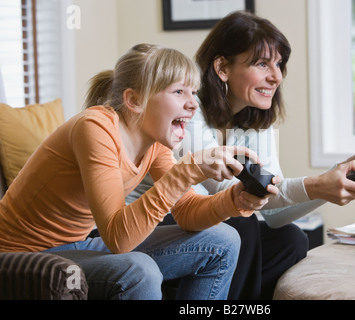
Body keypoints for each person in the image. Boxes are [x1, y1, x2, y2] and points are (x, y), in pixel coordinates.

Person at [127, 13, 355, 299]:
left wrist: (333, 181)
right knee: (240, 221)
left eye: (278, 64)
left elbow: (274, 212)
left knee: (290, 239)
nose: (276, 76)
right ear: (222, 67)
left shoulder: (254, 122)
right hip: (151, 227)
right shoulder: (187, 110)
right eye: (262, 63)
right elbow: (232, 195)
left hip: (202, 228)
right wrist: (319, 183)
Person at [0, 43, 276, 300]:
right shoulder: (95, 127)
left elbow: (187, 212)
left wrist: (233, 201)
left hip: (75, 247)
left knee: (224, 239)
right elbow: (118, 238)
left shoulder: (153, 141)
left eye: (194, 92)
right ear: (134, 100)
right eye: (179, 92)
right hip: (21, 258)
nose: (193, 104)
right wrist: (185, 173)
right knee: (138, 269)